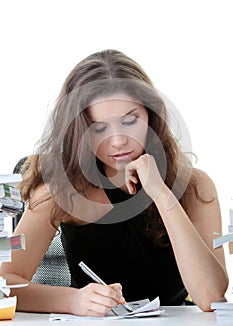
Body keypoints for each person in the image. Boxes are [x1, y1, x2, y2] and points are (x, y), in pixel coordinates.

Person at [0, 49, 228, 316]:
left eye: (130, 120)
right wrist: (72, 301)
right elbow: (5, 283)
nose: (118, 140)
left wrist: (160, 192)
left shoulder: (195, 186)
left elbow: (211, 297)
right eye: (99, 128)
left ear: (151, 116)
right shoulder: (59, 189)